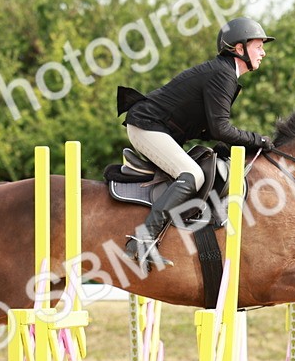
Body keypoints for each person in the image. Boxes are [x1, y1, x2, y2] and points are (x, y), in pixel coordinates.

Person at [118, 16, 276, 269]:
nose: (263, 52)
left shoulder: (224, 72)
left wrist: (234, 143)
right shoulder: (222, 74)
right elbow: (221, 128)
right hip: (147, 125)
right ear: (239, 48)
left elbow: (212, 129)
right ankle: (142, 240)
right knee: (192, 175)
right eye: (258, 46)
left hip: (156, 127)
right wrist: (259, 139)